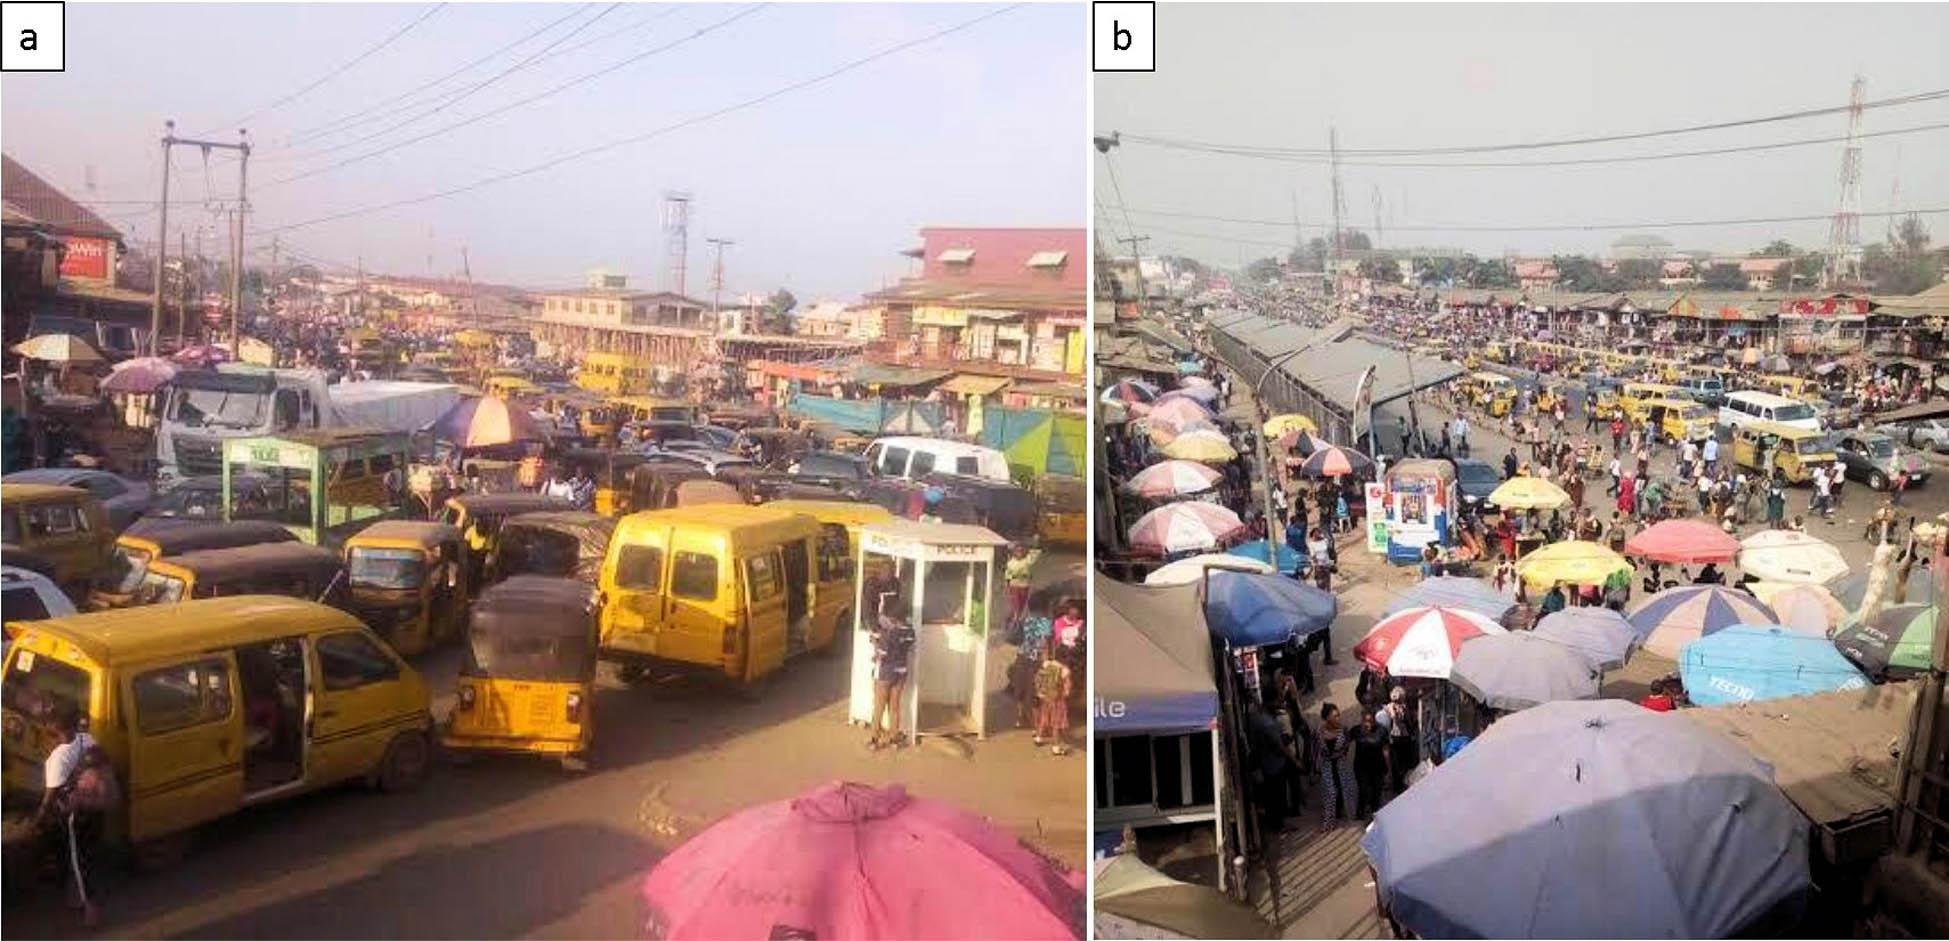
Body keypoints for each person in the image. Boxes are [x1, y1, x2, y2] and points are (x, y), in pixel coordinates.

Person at [37, 705, 109, 927]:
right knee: (90, 856)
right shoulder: (87, 739)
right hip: (96, 808)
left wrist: (37, 821)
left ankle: (91, 912)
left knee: (79, 863)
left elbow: (50, 799)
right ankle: (79, 897)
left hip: (75, 816)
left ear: (56, 729)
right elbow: (102, 764)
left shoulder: (58, 758)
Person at [868, 591, 917, 750]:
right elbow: (907, 647)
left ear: (893, 615)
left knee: (879, 706)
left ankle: (874, 740)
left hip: (886, 672)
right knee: (894, 706)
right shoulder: (910, 631)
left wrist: (875, 643)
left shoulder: (889, 633)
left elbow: (881, 655)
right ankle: (894, 738)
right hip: (901, 672)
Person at [1317, 703, 1356, 823]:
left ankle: (1339, 811)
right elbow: (1315, 751)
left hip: (1340, 764)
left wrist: (1341, 753)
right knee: (1330, 790)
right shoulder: (1319, 731)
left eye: (1338, 715)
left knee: (1342, 787)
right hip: (1327, 765)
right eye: (1335, 716)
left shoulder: (1343, 729)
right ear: (1327, 717)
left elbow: (1347, 744)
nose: (1338, 718)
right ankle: (1330, 817)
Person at [1376, 687, 1418, 795]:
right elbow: (1394, 718)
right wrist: (1393, 710)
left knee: (1406, 761)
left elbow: (1409, 720)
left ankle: (1405, 782)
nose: (1399, 699)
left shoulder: (1404, 707)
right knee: (1397, 763)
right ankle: (1397, 787)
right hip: (1395, 738)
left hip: (1405, 738)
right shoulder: (1390, 707)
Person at [1031, 648, 1073, 755]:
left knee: (1044, 716)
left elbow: (1037, 679)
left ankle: (1038, 738)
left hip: (1045, 696)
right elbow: (1067, 687)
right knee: (1056, 723)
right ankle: (1056, 747)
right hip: (1057, 699)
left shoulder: (1047, 665)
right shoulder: (1064, 670)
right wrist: (1065, 693)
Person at [1351, 707, 1390, 818]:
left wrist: (1388, 768)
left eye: (1370, 721)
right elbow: (1345, 744)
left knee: (1376, 792)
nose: (1368, 724)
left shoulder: (1382, 731)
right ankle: (1360, 813)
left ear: (1374, 720)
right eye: (1365, 721)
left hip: (1378, 767)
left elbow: (1386, 750)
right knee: (1363, 789)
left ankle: (1375, 814)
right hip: (1360, 767)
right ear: (1362, 720)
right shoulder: (1356, 730)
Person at [1003, 544, 1041, 637]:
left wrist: (1035, 543)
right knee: (1016, 607)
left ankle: (1014, 625)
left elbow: (1036, 554)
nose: (1019, 553)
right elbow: (1007, 575)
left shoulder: (1027, 561)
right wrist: (1007, 587)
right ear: (1014, 553)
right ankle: (1012, 625)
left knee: (1021, 607)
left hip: (1025, 586)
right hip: (1014, 586)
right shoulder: (1011, 562)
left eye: (1021, 551)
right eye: (1017, 551)